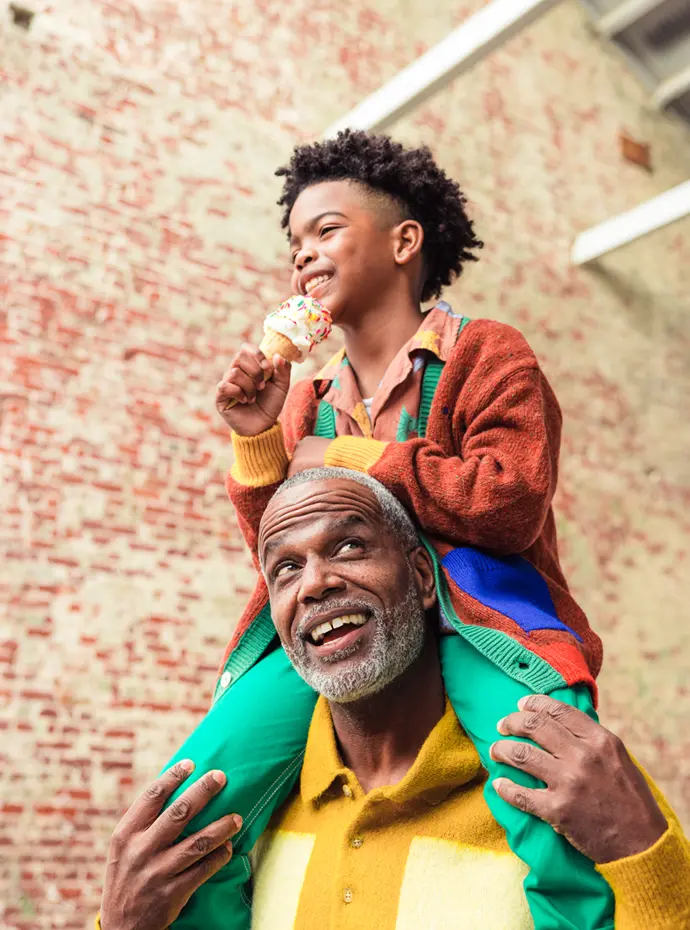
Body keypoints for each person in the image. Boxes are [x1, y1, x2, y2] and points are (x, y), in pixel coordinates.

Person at [158, 131, 617, 926]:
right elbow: (280, 550)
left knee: (549, 773)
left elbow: (509, 500)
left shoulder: (486, 353)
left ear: (405, 242)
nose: (303, 254)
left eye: (326, 230)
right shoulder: (306, 400)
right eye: (294, 243)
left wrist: (350, 457)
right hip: (347, 627)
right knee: (196, 793)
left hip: (481, 622)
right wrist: (259, 440)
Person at [97, 471, 690, 930]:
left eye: (349, 546)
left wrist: (646, 858)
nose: (314, 583)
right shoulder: (234, 831)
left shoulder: (579, 786)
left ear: (423, 577)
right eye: (286, 569)